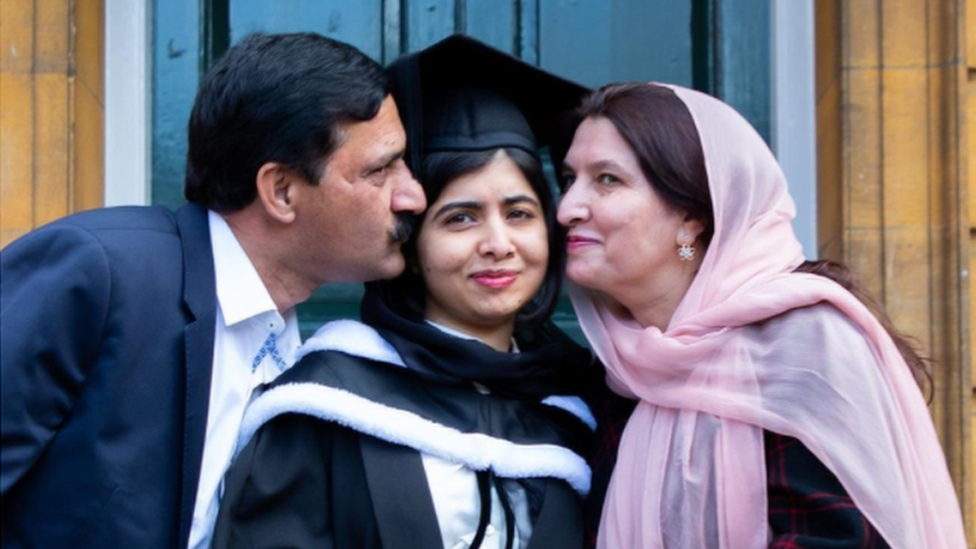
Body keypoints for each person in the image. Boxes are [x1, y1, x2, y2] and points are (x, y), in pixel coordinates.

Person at [0, 32, 425, 549]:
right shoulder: (99, 272)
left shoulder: (306, 361)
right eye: (381, 169)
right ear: (282, 191)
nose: (413, 196)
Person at [210, 34, 601, 549]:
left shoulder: (581, 404)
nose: (498, 244)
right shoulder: (326, 403)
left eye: (519, 213)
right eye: (460, 218)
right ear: (413, 245)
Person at [557, 82, 968, 548]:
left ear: (691, 215)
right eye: (570, 180)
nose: (568, 208)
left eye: (607, 179)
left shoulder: (803, 346)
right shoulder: (617, 374)